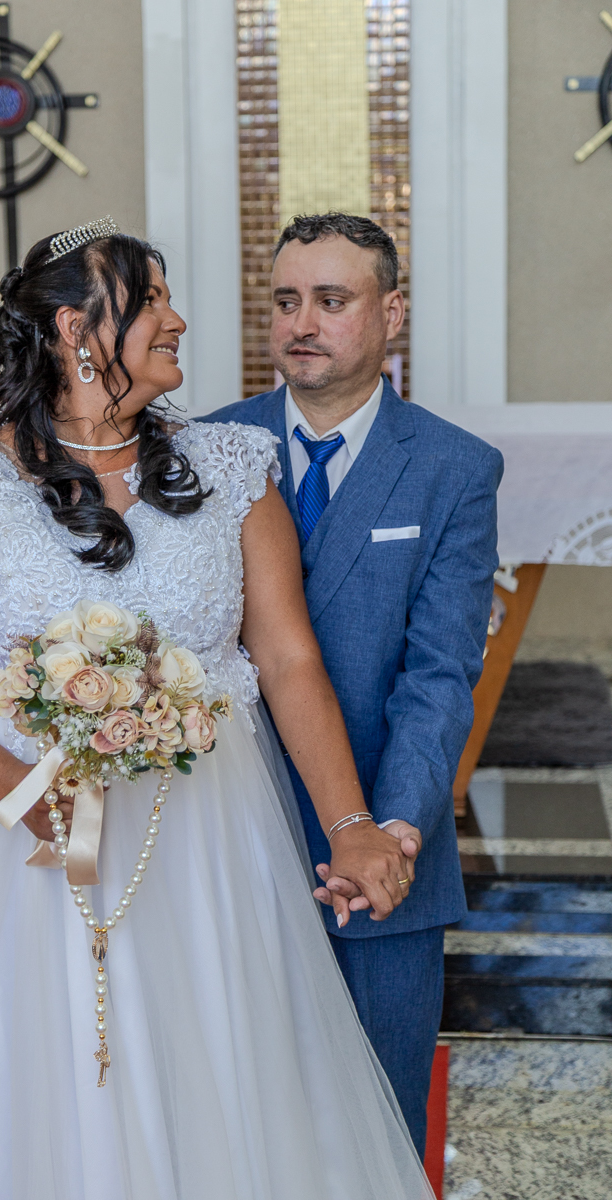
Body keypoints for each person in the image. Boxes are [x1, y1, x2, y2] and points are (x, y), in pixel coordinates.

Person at [0, 223, 433, 1199]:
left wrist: (351, 825)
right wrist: (30, 796)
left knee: (220, 1070)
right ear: (75, 329)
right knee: (33, 1080)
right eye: (153, 301)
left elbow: (284, 658)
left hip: (209, 842)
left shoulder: (229, 468)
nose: (178, 319)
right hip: (19, 844)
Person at [205, 211, 503, 1157]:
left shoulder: (454, 468)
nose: (303, 323)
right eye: (286, 301)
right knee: (230, 1114)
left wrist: (397, 826)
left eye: (332, 302)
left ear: (392, 313)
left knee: (376, 1124)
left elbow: (440, 671)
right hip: (226, 841)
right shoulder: (206, 448)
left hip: (380, 851)